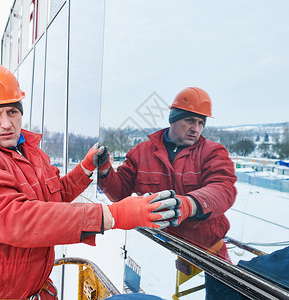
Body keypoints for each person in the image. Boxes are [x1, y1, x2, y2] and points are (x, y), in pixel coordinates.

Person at [0, 63, 177, 300]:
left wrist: (85, 168)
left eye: (12, 111)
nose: (6, 123)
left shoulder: (29, 152)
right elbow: (14, 218)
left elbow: (53, 197)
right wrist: (111, 215)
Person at [97, 87, 237, 288]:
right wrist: (104, 171)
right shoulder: (141, 153)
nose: (196, 128)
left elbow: (223, 188)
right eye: (190, 120)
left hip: (209, 252)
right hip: (161, 247)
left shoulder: (212, 152)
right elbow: (119, 193)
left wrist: (189, 204)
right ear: (173, 118)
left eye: (200, 123)